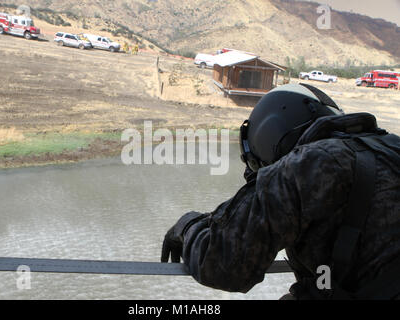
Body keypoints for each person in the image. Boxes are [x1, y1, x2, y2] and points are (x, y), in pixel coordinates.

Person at [161, 83, 400, 300]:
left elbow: (223, 263)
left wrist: (186, 225)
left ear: (270, 133)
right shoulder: (390, 148)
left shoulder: (308, 162)